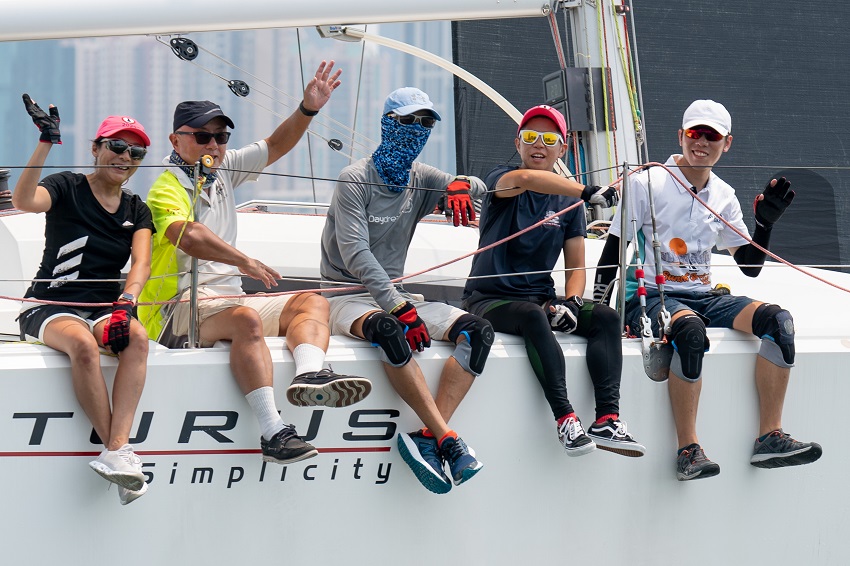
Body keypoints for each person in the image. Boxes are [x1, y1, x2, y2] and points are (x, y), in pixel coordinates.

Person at [138, 61, 371, 468]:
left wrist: (308, 108)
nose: (214, 145)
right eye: (203, 137)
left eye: (221, 137)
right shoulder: (165, 185)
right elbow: (184, 233)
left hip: (225, 301)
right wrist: (244, 261)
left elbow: (276, 145)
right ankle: (273, 432)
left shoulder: (224, 170)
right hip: (176, 308)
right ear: (176, 140)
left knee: (312, 302)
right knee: (245, 318)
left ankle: (312, 375)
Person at [594, 99, 822, 480]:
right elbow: (611, 252)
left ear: (726, 143)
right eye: (693, 133)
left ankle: (769, 438)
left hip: (704, 295)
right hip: (651, 295)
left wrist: (764, 225)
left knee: (778, 322)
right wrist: (597, 311)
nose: (701, 142)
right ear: (680, 136)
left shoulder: (724, 195)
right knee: (690, 331)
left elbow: (749, 267)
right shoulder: (646, 181)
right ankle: (688, 450)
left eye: (711, 135)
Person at [320, 87, 494, 494]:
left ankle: (430, 437)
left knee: (478, 333)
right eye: (408, 121)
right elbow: (356, 253)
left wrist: (462, 184)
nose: (417, 130)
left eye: (426, 123)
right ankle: (449, 440)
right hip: (346, 296)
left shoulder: (421, 178)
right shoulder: (354, 179)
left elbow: (481, 188)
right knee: (388, 330)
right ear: (387, 123)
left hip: (395, 296)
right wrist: (400, 308)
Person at [461, 105, 645, 458]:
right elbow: (529, 180)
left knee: (605, 317)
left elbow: (575, 266)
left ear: (563, 149)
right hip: (488, 299)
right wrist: (585, 191)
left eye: (549, 139)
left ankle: (607, 419)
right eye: (530, 137)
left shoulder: (568, 202)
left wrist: (572, 304)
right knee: (532, 316)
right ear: (518, 144)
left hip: (540, 298)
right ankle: (565, 420)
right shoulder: (504, 178)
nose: (538, 145)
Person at [14, 95, 153, 505]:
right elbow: (24, 201)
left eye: (136, 152)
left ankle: (117, 450)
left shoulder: (136, 209)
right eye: (117, 146)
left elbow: (141, 264)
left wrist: (127, 302)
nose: (125, 156)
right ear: (96, 148)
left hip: (105, 308)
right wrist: (45, 141)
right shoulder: (67, 186)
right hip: (48, 306)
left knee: (138, 339)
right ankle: (119, 454)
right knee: (83, 346)